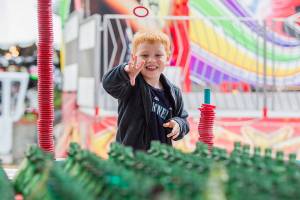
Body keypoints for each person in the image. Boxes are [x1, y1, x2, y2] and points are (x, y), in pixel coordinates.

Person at [102, 30, 189, 150]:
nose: (151, 60)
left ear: (167, 57)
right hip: (129, 159)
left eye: (158, 55)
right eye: (144, 55)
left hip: (160, 160)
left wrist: (179, 124)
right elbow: (108, 83)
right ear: (134, 57)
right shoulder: (129, 83)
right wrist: (125, 71)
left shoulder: (174, 92)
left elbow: (183, 119)